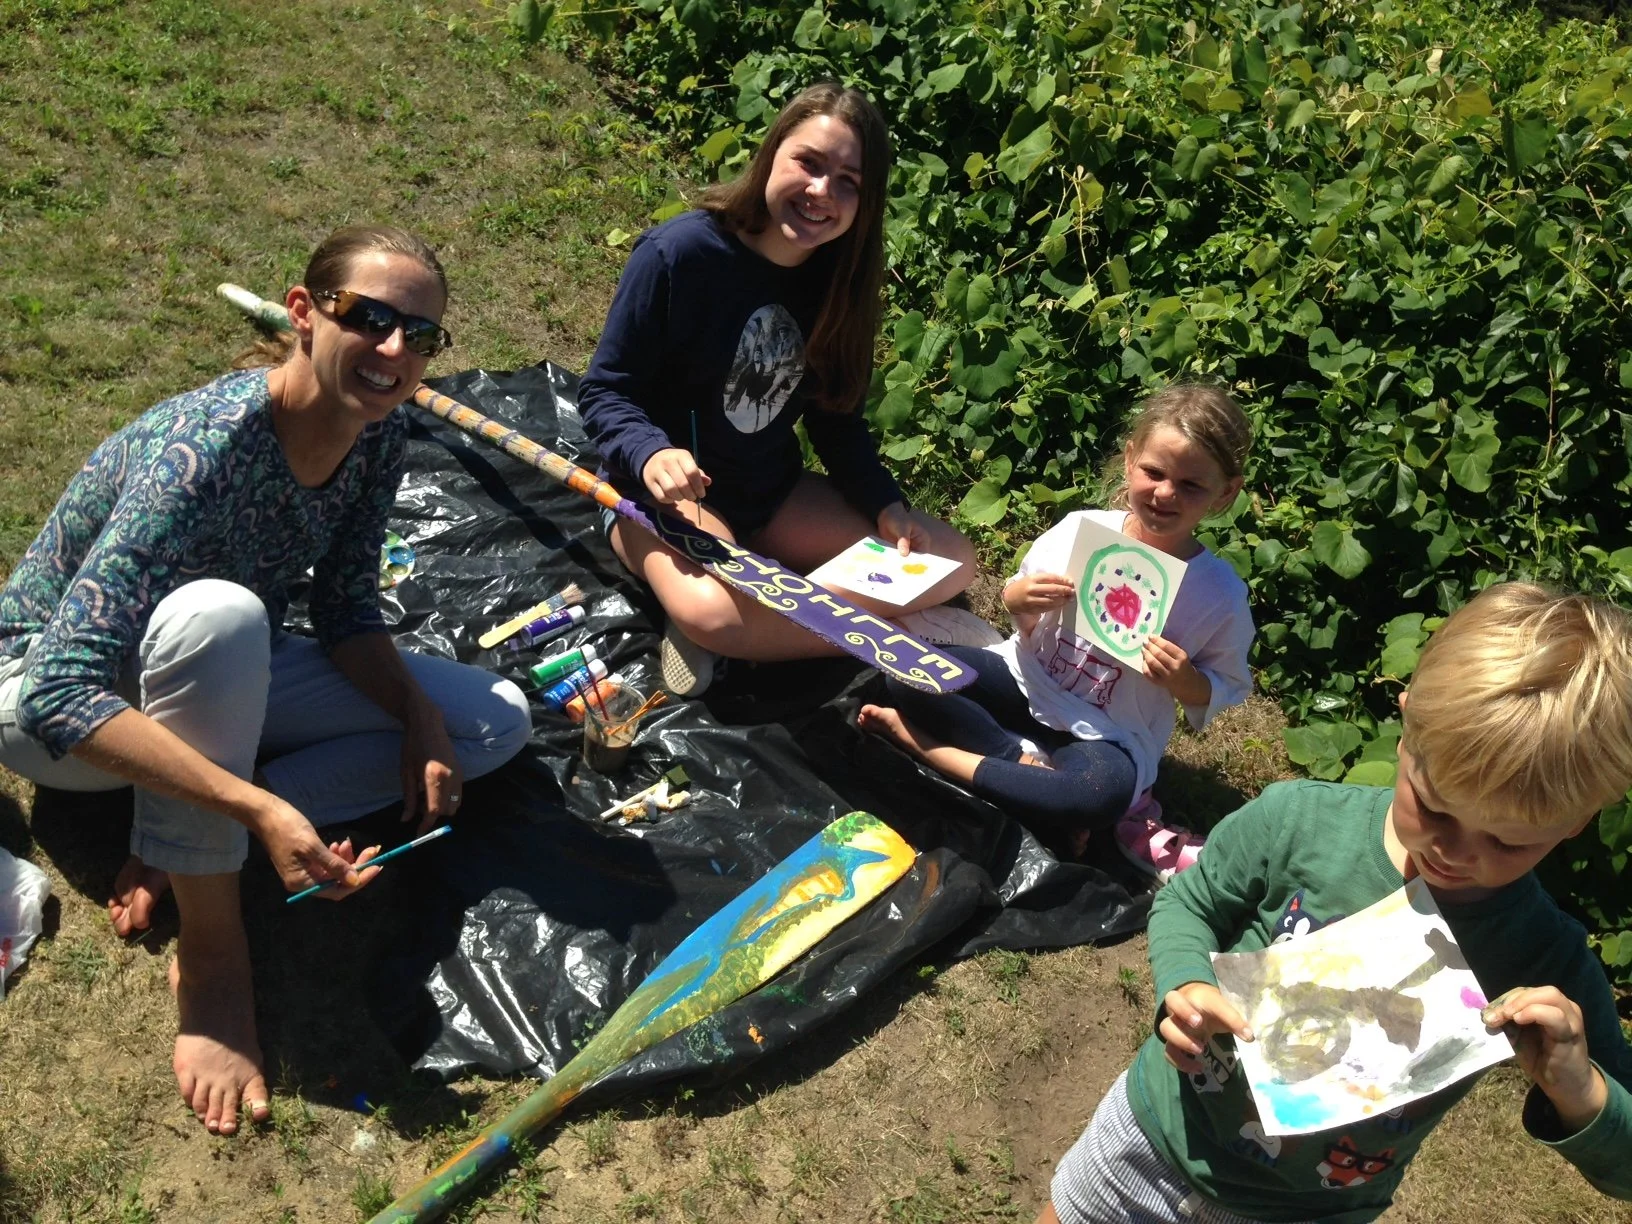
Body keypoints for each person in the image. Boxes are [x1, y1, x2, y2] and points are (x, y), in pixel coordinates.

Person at [0, 226, 532, 1137]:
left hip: (209, 664)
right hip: (42, 703)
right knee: (222, 615)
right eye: (370, 318)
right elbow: (57, 687)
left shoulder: (378, 432)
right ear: (303, 313)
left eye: (421, 334)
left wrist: (418, 718)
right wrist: (258, 808)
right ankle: (214, 955)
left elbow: (346, 608)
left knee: (493, 723)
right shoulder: (204, 451)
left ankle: (180, 835)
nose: (395, 350)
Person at [1039, 582, 1632, 1223]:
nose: (1456, 852)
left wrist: (1582, 1091)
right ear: (1407, 725)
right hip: (1153, 1136)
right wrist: (1185, 983)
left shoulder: (1544, 958)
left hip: (1302, 1212)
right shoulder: (1299, 822)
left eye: (1509, 842)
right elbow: (1190, 902)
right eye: (1434, 807)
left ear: (1576, 823)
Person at [577, 82, 980, 698]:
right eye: (809, 163)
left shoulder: (839, 284)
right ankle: (868, 625)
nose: (822, 191)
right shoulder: (679, 253)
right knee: (715, 613)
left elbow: (835, 421)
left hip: (770, 493)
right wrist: (650, 452)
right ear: (772, 153)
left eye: (848, 181)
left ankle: (761, 622)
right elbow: (606, 391)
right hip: (664, 496)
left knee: (952, 557)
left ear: (865, 203)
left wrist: (885, 504)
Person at [860, 384, 1254, 868]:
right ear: (1130, 460)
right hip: (1027, 677)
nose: (1165, 493)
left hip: (1108, 730)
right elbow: (1019, 601)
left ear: (1226, 492)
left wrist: (1184, 679)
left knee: (1097, 794)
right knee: (907, 671)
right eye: (1154, 472)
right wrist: (1016, 598)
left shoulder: (1219, 593)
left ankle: (922, 745)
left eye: (1191, 486)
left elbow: (1227, 684)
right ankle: (1020, 767)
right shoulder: (1081, 529)